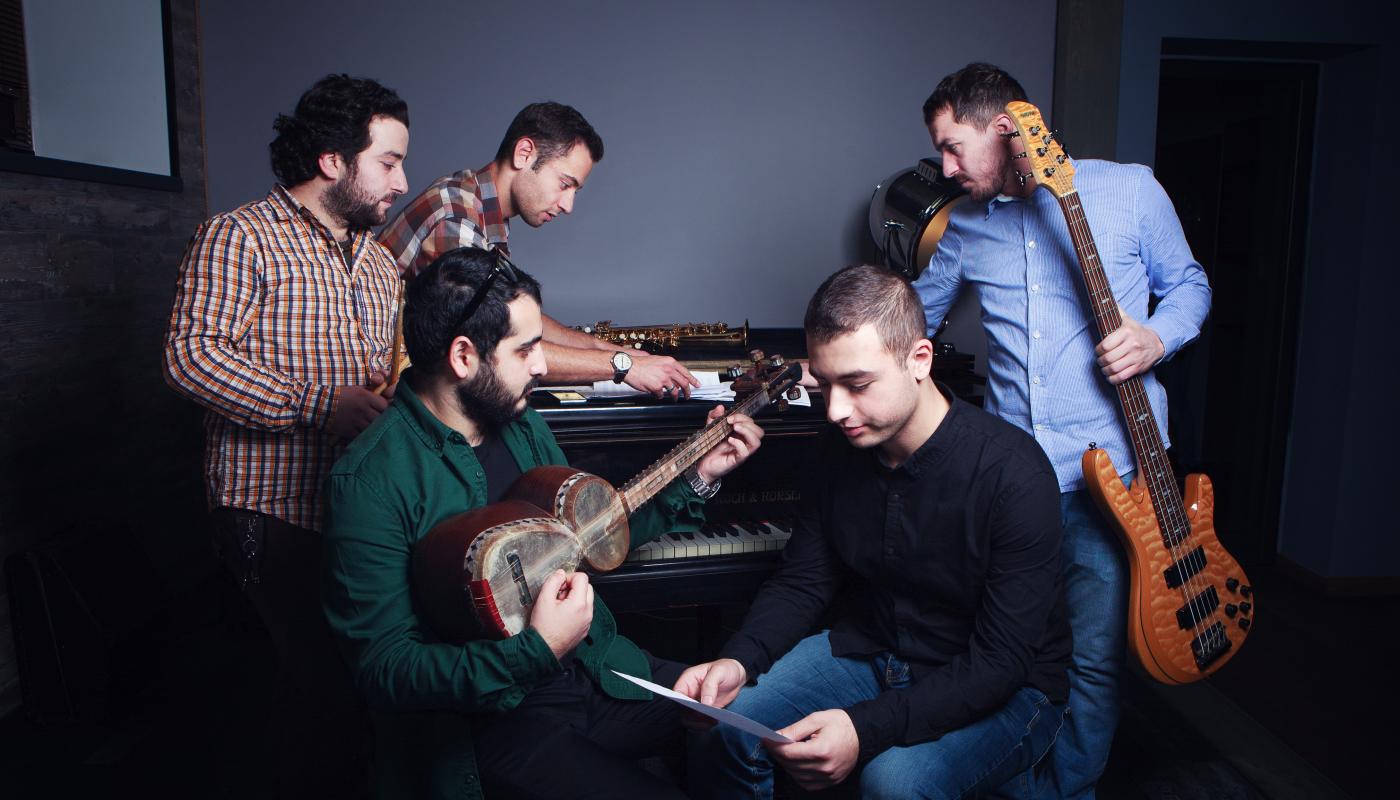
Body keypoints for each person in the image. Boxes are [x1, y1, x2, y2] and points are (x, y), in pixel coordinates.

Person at [321, 246, 765, 799]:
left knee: (745, 716)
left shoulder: (523, 423)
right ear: (464, 356)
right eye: (526, 349)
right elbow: (386, 669)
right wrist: (535, 650)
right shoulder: (368, 481)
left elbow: (592, 533)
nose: (541, 364)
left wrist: (699, 477)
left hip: (593, 670)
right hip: (492, 727)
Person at [913, 63, 1213, 798]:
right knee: (1004, 648)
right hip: (1014, 487)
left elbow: (1191, 285)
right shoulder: (964, 229)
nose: (945, 168)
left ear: (1008, 128)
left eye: (955, 147)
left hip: (1115, 480)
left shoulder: (1131, 191)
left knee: (1093, 658)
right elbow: (910, 322)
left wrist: (1155, 339)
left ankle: (1064, 792)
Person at [682, 264, 1071, 799]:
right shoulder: (836, 449)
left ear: (919, 360)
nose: (837, 411)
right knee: (724, 732)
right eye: (824, 386)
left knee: (893, 784)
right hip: (872, 650)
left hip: (1004, 685)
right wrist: (738, 658)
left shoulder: (1015, 475)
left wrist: (864, 728)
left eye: (858, 385)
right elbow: (803, 581)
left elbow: (1000, 663)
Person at [162, 74, 410, 796]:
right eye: (388, 161)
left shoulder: (381, 261)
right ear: (333, 160)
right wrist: (314, 404)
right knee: (310, 700)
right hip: (271, 515)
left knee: (354, 696)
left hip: (357, 514)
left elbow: (380, 369)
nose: (401, 180)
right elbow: (189, 356)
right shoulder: (237, 236)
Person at [379, 101, 699, 398]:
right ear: (524, 154)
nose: (568, 205)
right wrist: (621, 365)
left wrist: (606, 349)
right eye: (564, 184)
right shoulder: (458, 217)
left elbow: (505, 315)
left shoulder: (481, 207)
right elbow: (496, 348)